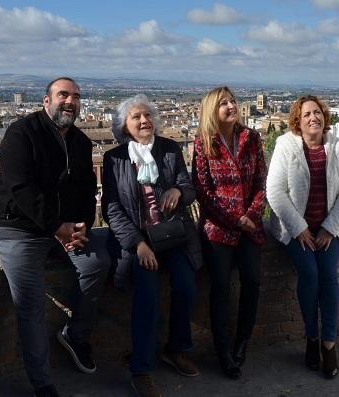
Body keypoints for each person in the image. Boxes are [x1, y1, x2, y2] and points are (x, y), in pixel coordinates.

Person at [0, 77, 111, 397]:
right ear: (47, 102)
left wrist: (82, 225)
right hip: (18, 230)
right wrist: (55, 226)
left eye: (76, 96)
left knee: (98, 263)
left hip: (63, 229)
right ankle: (42, 384)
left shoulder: (81, 143)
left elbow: (86, 190)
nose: (70, 101)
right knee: (29, 304)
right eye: (63, 95)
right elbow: (20, 188)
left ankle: (75, 334)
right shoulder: (22, 133)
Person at [102, 94, 202, 397]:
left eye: (147, 116)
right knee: (147, 294)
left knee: (186, 285)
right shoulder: (114, 158)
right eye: (136, 117)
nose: (144, 121)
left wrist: (177, 191)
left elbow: (189, 188)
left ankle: (177, 349)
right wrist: (137, 244)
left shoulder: (170, 150)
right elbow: (111, 207)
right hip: (139, 241)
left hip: (173, 237)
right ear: (124, 126)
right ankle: (142, 369)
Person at [266, 95, 339, 379]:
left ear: (324, 117)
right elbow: (275, 191)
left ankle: (329, 344)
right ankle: (311, 338)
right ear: (298, 119)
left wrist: (330, 226)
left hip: (328, 229)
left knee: (329, 276)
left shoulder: (338, 147)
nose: (312, 118)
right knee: (310, 274)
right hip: (295, 229)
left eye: (317, 112)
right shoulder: (284, 145)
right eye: (306, 114)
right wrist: (298, 228)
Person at [192, 86, 267, 380]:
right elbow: (203, 191)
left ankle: (242, 344)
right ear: (212, 110)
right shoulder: (202, 143)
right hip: (218, 230)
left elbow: (262, 182)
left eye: (233, 101)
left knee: (252, 282)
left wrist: (251, 216)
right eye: (223, 103)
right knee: (220, 289)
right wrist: (237, 220)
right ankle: (223, 352)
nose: (231, 106)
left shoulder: (252, 138)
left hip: (250, 227)